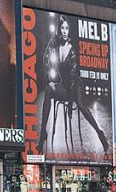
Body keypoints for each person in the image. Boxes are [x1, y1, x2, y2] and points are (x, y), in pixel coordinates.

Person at [37, 15, 109, 154]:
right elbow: (45, 59)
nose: (65, 31)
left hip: (75, 85)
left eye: (67, 28)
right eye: (62, 28)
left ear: (69, 30)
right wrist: (49, 82)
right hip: (64, 85)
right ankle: (43, 134)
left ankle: (100, 133)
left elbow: (71, 79)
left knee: (81, 105)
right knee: (48, 90)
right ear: (59, 29)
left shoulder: (72, 51)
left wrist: (70, 105)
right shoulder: (54, 42)